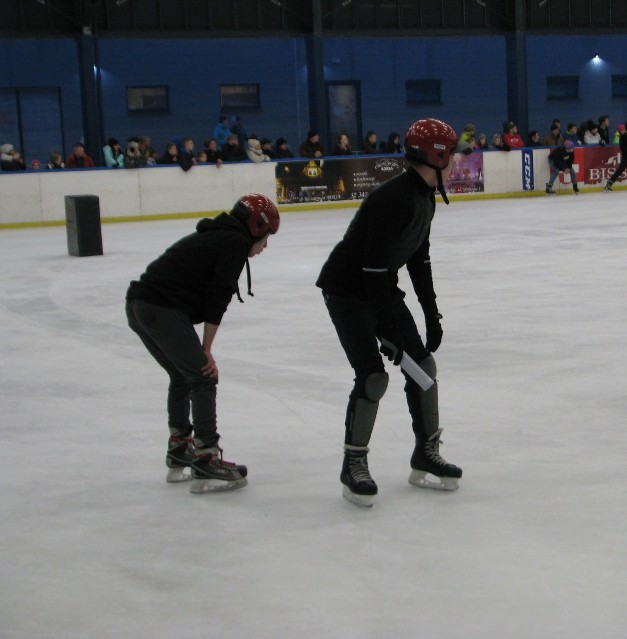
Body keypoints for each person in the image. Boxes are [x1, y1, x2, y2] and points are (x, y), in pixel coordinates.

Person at [316, 118, 463, 508]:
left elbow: (419, 258)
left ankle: (426, 452)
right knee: (373, 378)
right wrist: (387, 331)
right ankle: (354, 465)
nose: (458, 158)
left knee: (423, 369)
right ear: (437, 155)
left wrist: (432, 314)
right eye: (454, 151)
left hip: (378, 288)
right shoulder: (393, 198)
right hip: (347, 292)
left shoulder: (425, 195)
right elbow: (372, 269)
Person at [126, 194, 280, 494]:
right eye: (267, 237)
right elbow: (218, 297)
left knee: (182, 376)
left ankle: (180, 450)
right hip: (159, 307)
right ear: (257, 227)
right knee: (203, 374)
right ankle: (206, 458)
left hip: (138, 305)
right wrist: (206, 351)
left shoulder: (220, 235)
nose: (265, 247)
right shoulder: (234, 243)